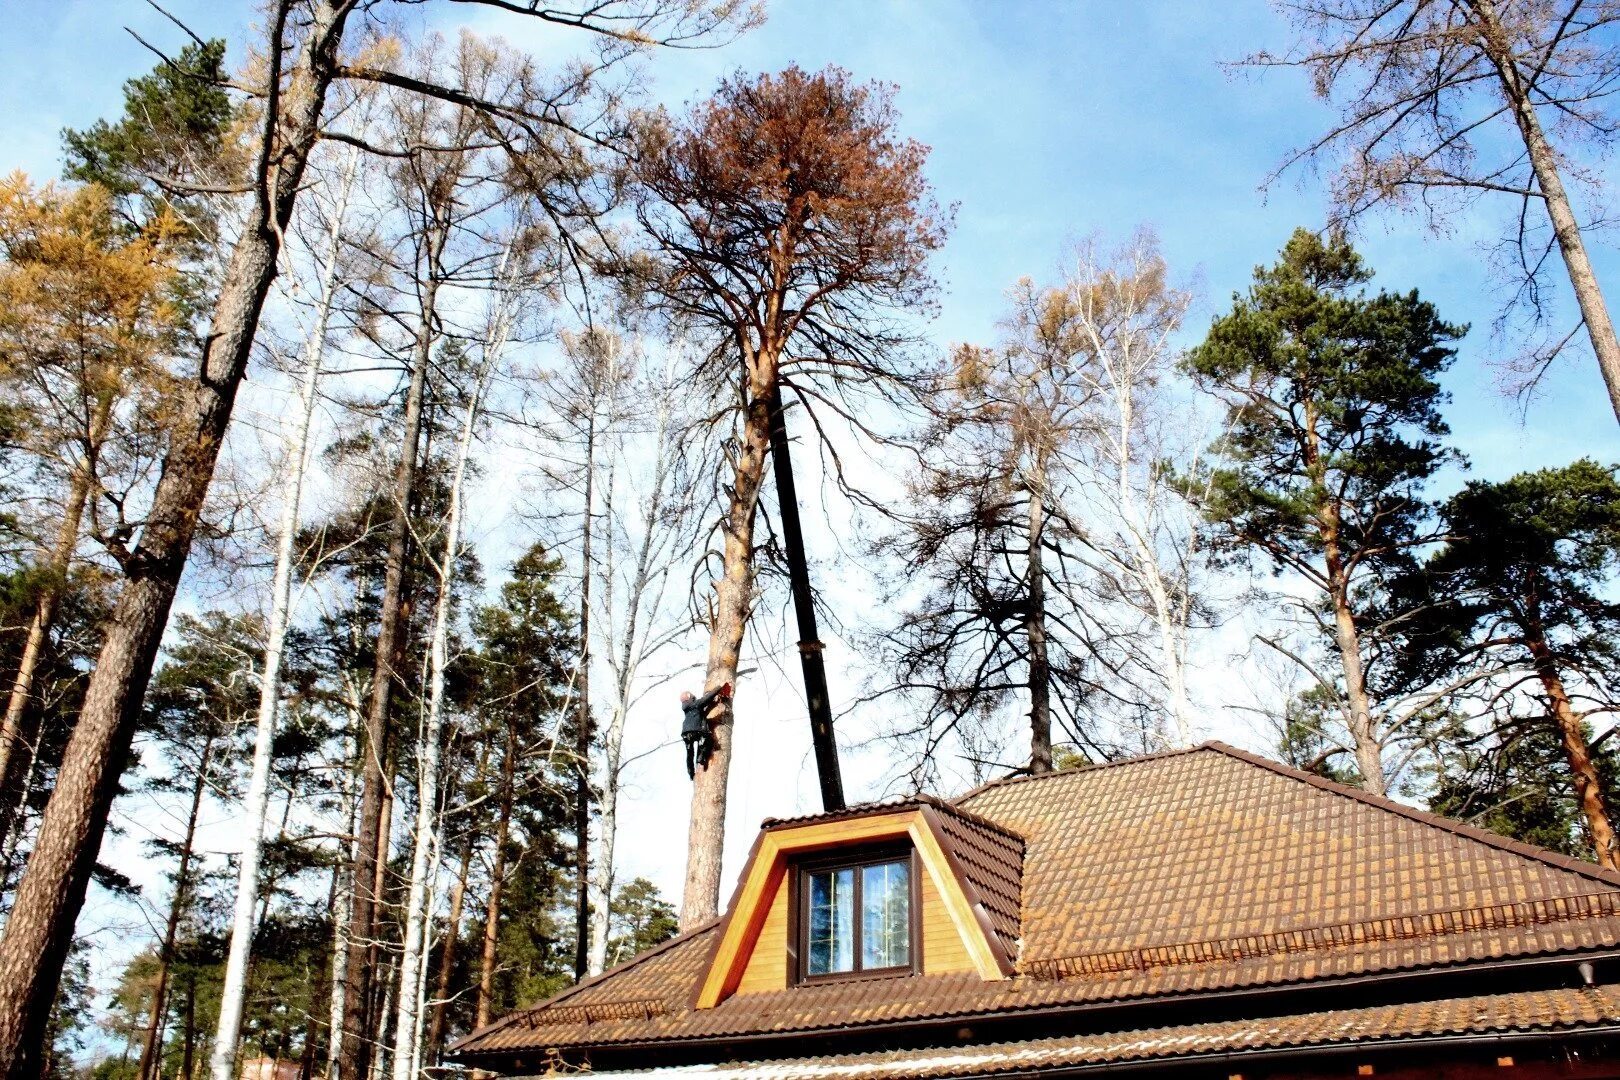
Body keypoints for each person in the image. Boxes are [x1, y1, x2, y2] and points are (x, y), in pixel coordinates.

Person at [680, 682, 732, 778]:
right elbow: (707, 698)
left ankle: (691, 773)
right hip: (697, 730)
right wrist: (718, 687)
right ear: (691, 698)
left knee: (689, 753)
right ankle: (701, 758)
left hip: (685, 733)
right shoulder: (695, 704)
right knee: (708, 740)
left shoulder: (686, 709)